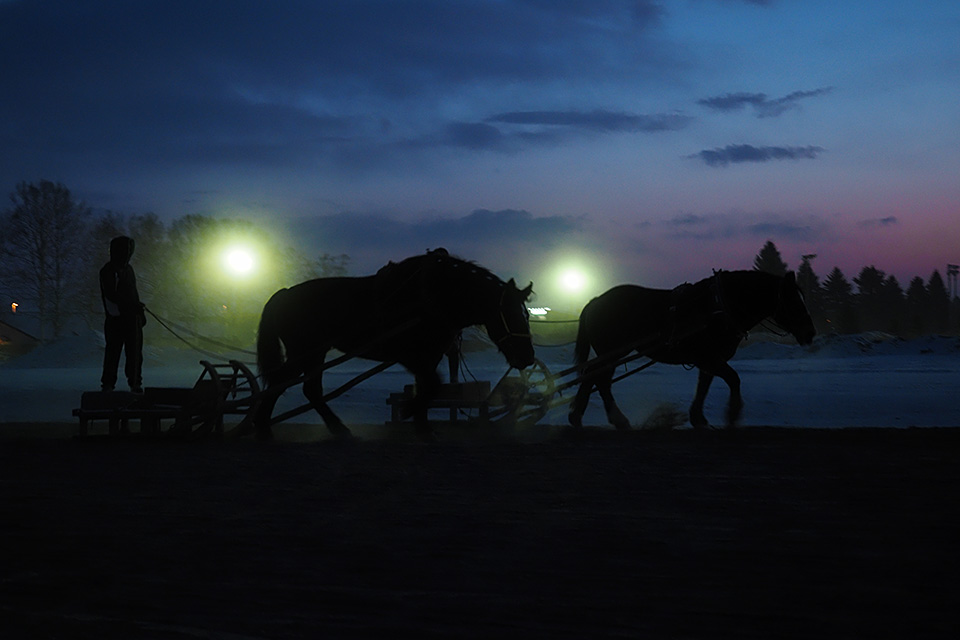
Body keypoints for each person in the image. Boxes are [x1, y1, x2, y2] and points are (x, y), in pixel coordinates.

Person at [100, 236, 146, 392]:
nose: (127, 254)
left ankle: (135, 382)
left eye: (129, 250)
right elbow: (111, 295)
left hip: (132, 320)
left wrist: (139, 313)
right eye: (125, 250)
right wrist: (132, 306)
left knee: (134, 354)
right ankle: (108, 384)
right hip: (116, 320)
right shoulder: (108, 271)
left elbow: (133, 292)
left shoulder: (128, 270)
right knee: (113, 353)